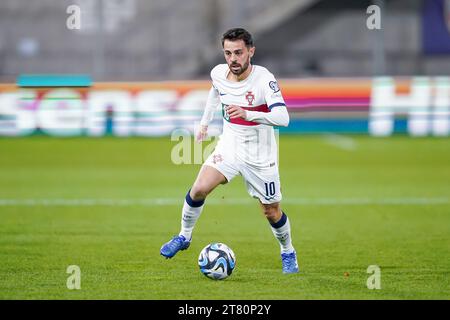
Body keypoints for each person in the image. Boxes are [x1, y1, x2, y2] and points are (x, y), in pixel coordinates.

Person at [160, 28, 298, 273]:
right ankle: (184, 236)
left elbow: (283, 117)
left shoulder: (264, 79)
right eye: (228, 53)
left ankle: (288, 251)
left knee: (271, 211)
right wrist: (204, 123)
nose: (233, 59)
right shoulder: (218, 73)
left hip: (260, 155)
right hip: (230, 145)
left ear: (250, 51)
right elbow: (216, 92)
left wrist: (248, 113)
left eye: (238, 52)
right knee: (199, 188)